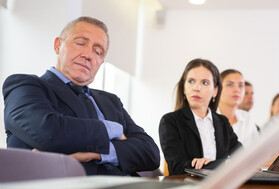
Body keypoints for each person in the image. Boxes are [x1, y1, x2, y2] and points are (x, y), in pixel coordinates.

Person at [2, 16, 160, 176]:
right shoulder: (24, 86)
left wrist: (98, 154)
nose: (89, 55)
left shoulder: (111, 101)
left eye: (98, 51)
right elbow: (50, 133)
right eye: (80, 43)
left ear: (101, 62)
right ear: (58, 45)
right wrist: (114, 130)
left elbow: (151, 153)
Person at [158, 59, 241, 175]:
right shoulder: (170, 122)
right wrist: (225, 164)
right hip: (187, 188)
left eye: (205, 82)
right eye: (191, 81)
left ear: (215, 91)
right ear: (184, 88)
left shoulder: (222, 122)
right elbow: (176, 167)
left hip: (221, 187)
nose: (196, 88)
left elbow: (241, 156)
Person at [218, 69, 259, 148]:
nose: (237, 90)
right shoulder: (208, 117)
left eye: (240, 85)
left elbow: (260, 150)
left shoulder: (247, 117)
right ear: (218, 88)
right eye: (230, 85)